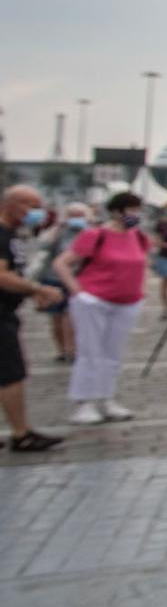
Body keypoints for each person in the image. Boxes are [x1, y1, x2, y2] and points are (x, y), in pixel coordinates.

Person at [55, 191, 149, 425]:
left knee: (112, 354)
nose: (136, 215)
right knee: (89, 352)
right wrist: (78, 291)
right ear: (117, 212)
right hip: (94, 300)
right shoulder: (95, 235)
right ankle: (84, 402)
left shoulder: (138, 237)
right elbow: (62, 263)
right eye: (131, 210)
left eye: (138, 210)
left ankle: (107, 398)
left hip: (127, 302)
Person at [1, 186, 66, 453]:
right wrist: (36, 289)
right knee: (11, 374)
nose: (37, 212)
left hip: (6, 310)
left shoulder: (12, 234)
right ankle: (21, 434)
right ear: (13, 204)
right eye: (32, 205)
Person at [35, 202, 92, 364]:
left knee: (71, 315)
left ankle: (71, 349)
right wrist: (55, 228)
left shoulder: (89, 232)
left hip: (78, 280)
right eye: (73, 215)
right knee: (56, 318)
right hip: (54, 279)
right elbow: (43, 246)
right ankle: (61, 349)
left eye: (80, 215)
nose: (77, 219)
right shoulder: (59, 232)